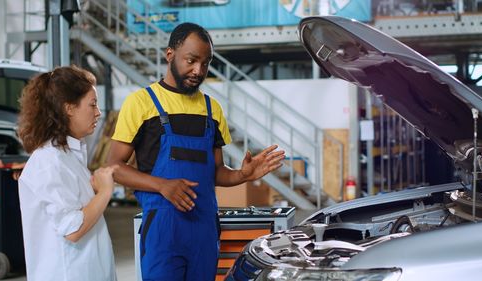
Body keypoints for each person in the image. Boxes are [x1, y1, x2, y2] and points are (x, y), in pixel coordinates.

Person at [107, 22, 285, 281]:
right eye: (191, 60)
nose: (198, 70)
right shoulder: (141, 103)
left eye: (205, 63)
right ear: (170, 55)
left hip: (204, 231)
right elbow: (114, 167)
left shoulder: (212, 110)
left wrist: (243, 175)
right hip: (163, 231)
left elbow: (216, 172)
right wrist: (163, 186)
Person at [17, 65, 117, 281]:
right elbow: (73, 229)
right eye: (92, 105)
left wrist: (94, 189)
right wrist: (105, 192)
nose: (98, 112)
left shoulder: (67, 155)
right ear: (69, 108)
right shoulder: (49, 161)